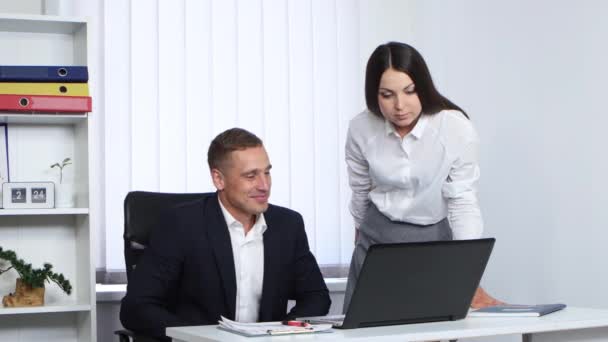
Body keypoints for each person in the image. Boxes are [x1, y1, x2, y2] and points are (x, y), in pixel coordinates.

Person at [121, 128, 331, 341]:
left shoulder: (287, 225)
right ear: (219, 179)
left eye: (266, 172)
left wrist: (282, 334)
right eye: (251, 176)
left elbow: (316, 296)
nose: (264, 185)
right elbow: (136, 308)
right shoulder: (181, 225)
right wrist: (198, 338)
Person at [343, 42, 501, 312]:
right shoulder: (360, 128)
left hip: (433, 243)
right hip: (376, 242)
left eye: (409, 91)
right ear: (374, 95)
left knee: (428, 330)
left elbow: (463, 201)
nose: (400, 106)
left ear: (423, 87)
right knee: (364, 331)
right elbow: (359, 190)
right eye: (387, 95)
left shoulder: (454, 128)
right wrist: (359, 237)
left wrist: (467, 269)